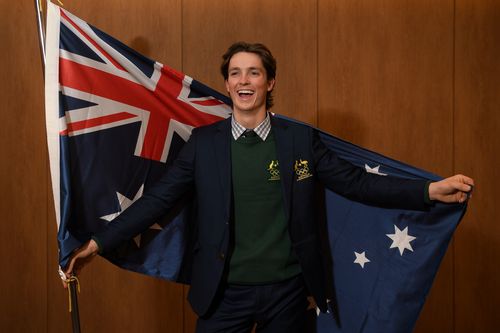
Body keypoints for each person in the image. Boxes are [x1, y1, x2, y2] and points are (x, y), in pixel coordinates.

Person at [63, 42, 474, 333]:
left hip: (287, 293)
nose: (244, 81)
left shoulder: (299, 141)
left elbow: (356, 183)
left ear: (270, 82)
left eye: (254, 72)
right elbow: (156, 201)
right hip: (223, 294)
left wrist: (427, 191)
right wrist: (96, 245)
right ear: (226, 84)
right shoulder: (204, 147)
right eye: (235, 73)